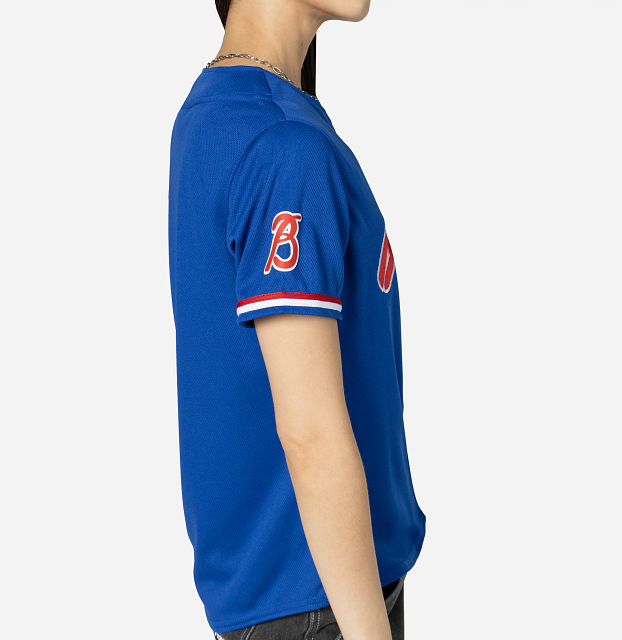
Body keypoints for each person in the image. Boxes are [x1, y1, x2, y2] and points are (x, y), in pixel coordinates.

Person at [167, 1, 427, 639]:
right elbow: (310, 432)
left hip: (301, 592)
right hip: (325, 603)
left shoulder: (219, 111)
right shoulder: (284, 144)